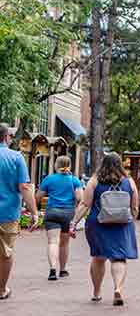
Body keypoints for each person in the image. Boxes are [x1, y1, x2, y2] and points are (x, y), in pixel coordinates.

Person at [70, 152, 138, 306]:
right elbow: (134, 206)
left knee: (98, 257)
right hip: (122, 223)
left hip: (98, 223)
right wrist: (131, 220)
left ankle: (96, 292)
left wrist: (74, 222)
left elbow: (85, 204)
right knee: (119, 257)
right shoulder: (129, 181)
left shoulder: (94, 181)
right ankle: (118, 288)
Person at [0, 124, 42, 300]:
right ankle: (1, 289)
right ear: (7, 137)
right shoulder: (16, 157)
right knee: (5, 252)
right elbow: (24, 187)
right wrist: (34, 212)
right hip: (7, 213)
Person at [36, 155, 83, 281]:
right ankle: (62, 270)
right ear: (70, 165)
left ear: (56, 165)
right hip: (68, 213)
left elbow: (38, 197)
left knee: (53, 242)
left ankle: (52, 269)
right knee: (64, 243)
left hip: (52, 212)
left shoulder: (49, 179)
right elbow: (80, 199)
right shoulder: (74, 180)